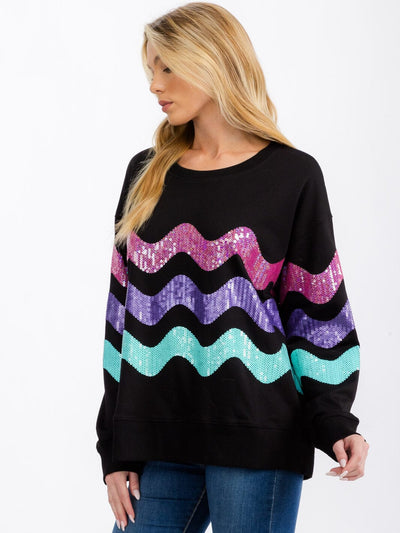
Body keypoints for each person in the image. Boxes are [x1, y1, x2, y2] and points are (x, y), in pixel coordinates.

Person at [95, 2, 369, 532]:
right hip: (158, 439)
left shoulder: (291, 175)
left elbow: (316, 311)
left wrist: (335, 419)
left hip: (257, 435)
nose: (155, 84)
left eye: (168, 66)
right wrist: (116, 445)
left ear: (213, 61)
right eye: (151, 68)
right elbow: (121, 315)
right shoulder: (146, 174)